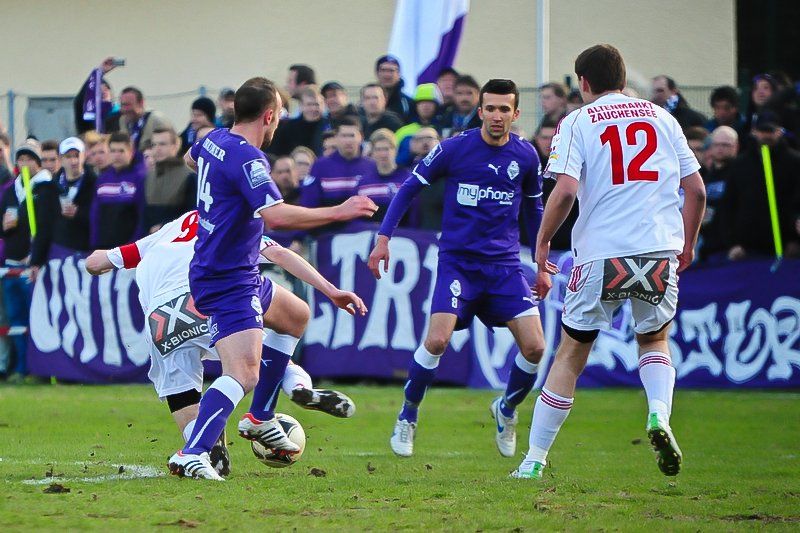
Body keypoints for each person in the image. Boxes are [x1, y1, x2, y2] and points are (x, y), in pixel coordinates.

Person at [511, 44, 706, 480]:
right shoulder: (663, 118)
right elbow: (696, 190)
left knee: (570, 354)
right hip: (657, 250)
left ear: (583, 82)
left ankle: (533, 460)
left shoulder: (577, 121)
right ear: (622, 78)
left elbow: (564, 191)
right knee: (654, 340)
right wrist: (687, 246)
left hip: (603, 253)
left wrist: (542, 242)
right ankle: (658, 414)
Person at [170, 77, 377, 480]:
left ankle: (260, 417)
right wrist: (339, 210)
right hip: (227, 278)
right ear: (269, 116)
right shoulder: (248, 159)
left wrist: (331, 291)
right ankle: (191, 453)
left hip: (235, 269)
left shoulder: (213, 140)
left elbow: (190, 160)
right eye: (279, 114)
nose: (279, 122)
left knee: (295, 315)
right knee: (243, 373)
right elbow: (277, 216)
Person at [85, 210, 364, 477]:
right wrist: (331, 290)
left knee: (189, 401)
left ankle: (211, 449)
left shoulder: (163, 235)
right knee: (279, 333)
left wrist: (103, 263)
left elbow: (95, 262)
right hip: (208, 296)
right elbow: (279, 253)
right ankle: (292, 390)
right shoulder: (229, 218)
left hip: (161, 321)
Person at [368, 79, 547, 459]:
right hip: (458, 264)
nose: (497, 116)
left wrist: (542, 264)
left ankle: (506, 408)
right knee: (436, 341)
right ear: (480, 111)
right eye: (490, 108)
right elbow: (408, 188)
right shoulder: (454, 148)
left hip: (504, 267)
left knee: (535, 348)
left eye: (504, 109)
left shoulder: (526, 156)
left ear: (515, 113)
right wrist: (384, 238)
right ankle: (408, 414)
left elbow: (534, 210)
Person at [0, 140, 59, 382]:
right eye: (21, 159)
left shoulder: (45, 188)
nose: (24, 164)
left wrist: (35, 257)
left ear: (37, 163)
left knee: (36, 317)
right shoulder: (11, 190)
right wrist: (4, 226)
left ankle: (39, 368)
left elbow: (45, 227)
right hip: (11, 263)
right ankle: (21, 367)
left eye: (29, 159)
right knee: (15, 318)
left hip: (32, 264)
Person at [721, 111, 800, 260]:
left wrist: (795, 241)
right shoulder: (739, 164)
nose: (766, 136)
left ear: (780, 131)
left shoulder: (794, 162)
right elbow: (728, 205)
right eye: (762, 131)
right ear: (754, 131)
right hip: (746, 250)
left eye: (771, 131)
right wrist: (733, 243)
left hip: (786, 250)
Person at [300, 116, 378, 232]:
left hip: (364, 234)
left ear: (361, 137)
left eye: (352, 135)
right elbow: (308, 205)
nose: (348, 140)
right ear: (336, 138)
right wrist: (300, 236)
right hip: (326, 234)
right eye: (344, 136)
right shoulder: (320, 166)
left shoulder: (372, 166)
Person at [90, 132, 147, 248]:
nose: (116, 155)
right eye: (113, 151)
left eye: (121, 151)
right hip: (104, 248)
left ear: (131, 152)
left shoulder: (140, 178)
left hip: (129, 249)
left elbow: (142, 215)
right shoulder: (102, 180)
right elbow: (95, 214)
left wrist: (132, 246)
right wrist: (94, 245)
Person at [49, 137, 97, 253]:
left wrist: (79, 213)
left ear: (84, 156)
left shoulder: (94, 183)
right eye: (68, 157)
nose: (73, 161)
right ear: (61, 159)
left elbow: (99, 217)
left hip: (85, 247)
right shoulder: (52, 185)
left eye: (76, 155)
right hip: (59, 248)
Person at [145, 127, 195, 232]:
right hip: (149, 238)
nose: (157, 149)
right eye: (154, 145)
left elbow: (192, 214)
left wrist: (164, 227)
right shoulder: (148, 176)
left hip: (176, 237)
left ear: (175, 146)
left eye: (162, 144)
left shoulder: (189, 176)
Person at [361, 129, 415, 224]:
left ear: (395, 150)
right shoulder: (363, 183)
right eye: (378, 149)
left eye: (386, 149)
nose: (383, 154)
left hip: (402, 232)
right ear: (372, 152)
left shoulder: (408, 178)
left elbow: (415, 213)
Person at [699, 126, 738, 260]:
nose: (720, 149)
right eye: (716, 145)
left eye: (725, 145)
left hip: (730, 245)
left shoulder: (741, 172)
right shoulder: (706, 175)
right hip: (708, 242)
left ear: (736, 146)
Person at [269, 85, 330, 156]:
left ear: (323, 105)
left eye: (317, 104)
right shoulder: (287, 128)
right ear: (301, 106)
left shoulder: (329, 127)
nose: (313, 108)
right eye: (309, 104)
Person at [395, 84, 442, 166]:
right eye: (421, 102)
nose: (426, 106)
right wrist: (410, 152)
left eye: (430, 102)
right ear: (415, 106)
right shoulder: (403, 132)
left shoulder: (445, 129)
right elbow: (395, 162)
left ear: (437, 106)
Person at [114, 87, 174, 151]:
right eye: (122, 105)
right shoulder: (123, 120)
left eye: (128, 105)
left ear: (141, 103)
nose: (124, 109)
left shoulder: (158, 121)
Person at [376, 55, 414, 123]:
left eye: (391, 71)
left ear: (399, 74)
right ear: (377, 73)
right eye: (383, 70)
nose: (387, 75)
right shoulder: (367, 100)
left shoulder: (408, 103)